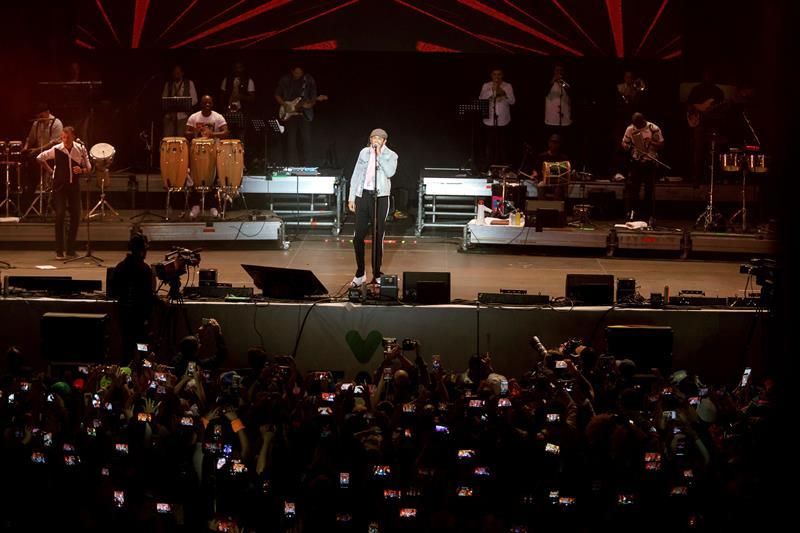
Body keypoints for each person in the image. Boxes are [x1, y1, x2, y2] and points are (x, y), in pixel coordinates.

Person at [348, 128, 398, 287]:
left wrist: (379, 156)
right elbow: (356, 174)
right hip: (363, 196)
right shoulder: (363, 152)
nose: (375, 140)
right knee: (358, 237)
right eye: (373, 138)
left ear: (384, 141)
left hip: (381, 197)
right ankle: (360, 273)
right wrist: (351, 196)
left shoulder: (391, 155)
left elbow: (390, 172)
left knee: (377, 237)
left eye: (378, 138)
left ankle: (377, 273)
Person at [36, 126, 90, 259]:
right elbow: (40, 157)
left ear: (73, 137)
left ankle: (70, 249)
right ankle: (59, 250)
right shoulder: (57, 149)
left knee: (76, 216)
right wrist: (50, 171)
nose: (65, 140)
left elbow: (88, 166)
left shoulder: (80, 148)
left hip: (73, 186)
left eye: (68, 137)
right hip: (59, 186)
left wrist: (82, 170)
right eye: (63, 137)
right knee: (60, 215)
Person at [111, 232, 156, 360]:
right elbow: (148, 295)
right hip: (140, 320)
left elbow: (113, 290)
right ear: (142, 251)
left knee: (127, 347)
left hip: (124, 316)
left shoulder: (120, 267)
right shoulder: (144, 269)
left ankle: (125, 375)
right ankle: (144, 372)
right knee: (143, 349)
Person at [185, 95, 229, 218]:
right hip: (197, 153)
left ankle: (213, 206)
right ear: (201, 104)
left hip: (213, 152)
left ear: (212, 104)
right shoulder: (194, 117)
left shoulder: (217, 117)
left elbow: (226, 132)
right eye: (205, 102)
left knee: (213, 179)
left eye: (209, 102)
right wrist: (196, 132)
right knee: (195, 178)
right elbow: (186, 132)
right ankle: (195, 206)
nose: (207, 104)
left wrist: (212, 134)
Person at [621, 112, 664, 223]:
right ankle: (633, 212)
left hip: (649, 161)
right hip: (636, 161)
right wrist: (628, 146)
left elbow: (661, 144)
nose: (637, 127)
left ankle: (648, 214)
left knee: (649, 189)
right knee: (634, 188)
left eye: (639, 124)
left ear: (643, 121)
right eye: (635, 124)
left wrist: (652, 142)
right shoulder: (630, 129)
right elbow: (624, 143)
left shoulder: (653, 128)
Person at [275, 66, 319, 165]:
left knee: (306, 139)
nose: (298, 75)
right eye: (296, 73)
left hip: (304, 114)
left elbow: (313, 97)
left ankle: (308, 165)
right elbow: (277, 94)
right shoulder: (285, 80)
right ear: (292, 71)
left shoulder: (308, 80)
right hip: (290, 115)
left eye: (300, 73)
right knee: (291, 140)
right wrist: (285, 104)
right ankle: (291, 165)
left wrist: (310, 104)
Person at [478, 68, 515, 171]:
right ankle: (488, 168)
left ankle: (505, 169)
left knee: (503, 146)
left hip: (504, 120)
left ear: (502, 75)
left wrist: (503, 93)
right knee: (490, 146)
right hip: (489, 120)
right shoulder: (486, 85)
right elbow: (481, 98)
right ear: (491, 75)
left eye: (499, 74)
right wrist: (492, 90)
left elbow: (512, 102)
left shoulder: (507, 86)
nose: (497, 77)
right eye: (495, 74)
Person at [530, 134, 570, 200]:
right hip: (545, 182)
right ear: (549, 143)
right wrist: (534, 173)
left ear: (559, 145)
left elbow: (566, 172)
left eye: (556, 143)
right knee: (540, 186)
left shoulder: (563, 158)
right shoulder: (542, 156)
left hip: (558, 183)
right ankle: (542, 207)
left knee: (558, 190)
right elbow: (536, 169)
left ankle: (556, 208)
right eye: (552, 142)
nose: (554, 145)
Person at [162, 65, 198, 137]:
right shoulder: (168, 84)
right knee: (168, 138)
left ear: (182, 73)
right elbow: (163, 99)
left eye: (178, 72)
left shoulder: (189, 83)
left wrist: (182, 103)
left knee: (182, 139)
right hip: (170, 116)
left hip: (183, 116)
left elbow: (195, 100)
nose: (177, 74)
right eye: (175, 72)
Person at [544, 63, 572, 150]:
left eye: (560, 70)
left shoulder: (565, 83)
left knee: (563, 141)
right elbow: (544, 91)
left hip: (564, 119)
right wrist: (553, 81)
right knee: (551, 139)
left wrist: (562, 82)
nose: (558, 72)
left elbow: (570, 91)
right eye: (557, 70)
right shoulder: (549, 82)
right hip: (551, 119)